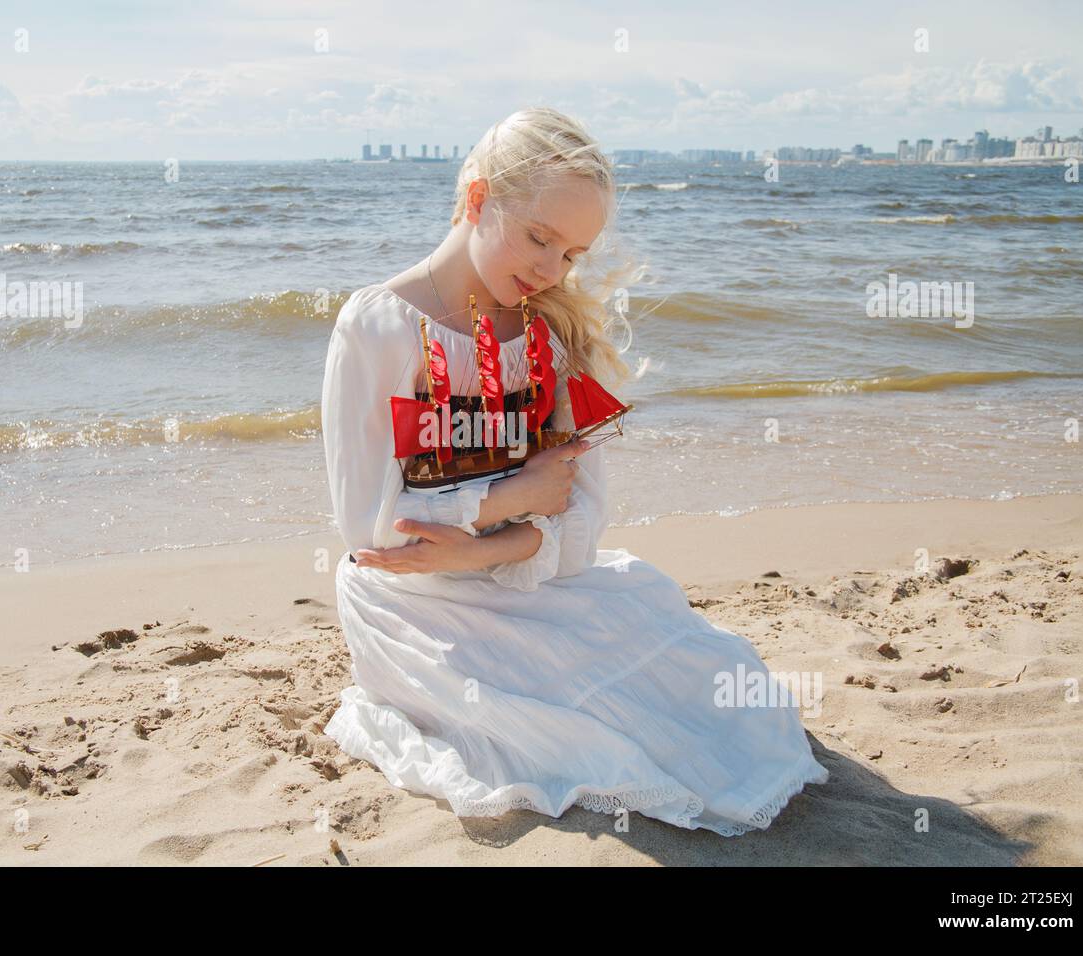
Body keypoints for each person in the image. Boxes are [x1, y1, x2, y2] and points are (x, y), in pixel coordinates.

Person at [320, 107, 828, 835]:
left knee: (694, 670)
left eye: (572, 254)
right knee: (573, 730)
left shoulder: (549, 335)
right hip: (413, 603)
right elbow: (373, 533)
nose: (551, 270)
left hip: (519, 572)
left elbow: (580, 522)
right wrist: (509, 498)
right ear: (477, 198)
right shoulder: (378, 326)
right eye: (539, 238)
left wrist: (486, 544)